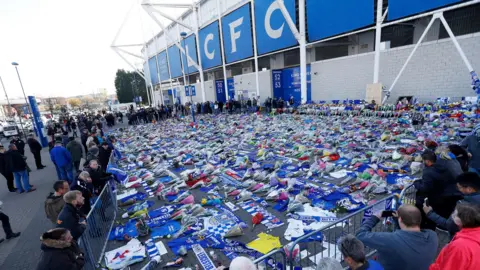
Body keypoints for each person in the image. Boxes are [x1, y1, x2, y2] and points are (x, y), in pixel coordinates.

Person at [356, 205, 438, 270]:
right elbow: (406, 236)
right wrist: (398, 221)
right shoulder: (432, 236)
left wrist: (374, 218)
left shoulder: (390, 240)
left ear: (401, 219)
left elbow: (360, 235)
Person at [414, 150, 461, 230]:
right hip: (449, 196)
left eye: (423, 161)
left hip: (438, 199)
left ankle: (424, 225)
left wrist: (416, 183)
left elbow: (425, 188)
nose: (423, 162)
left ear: (427, 161)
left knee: (419, 202)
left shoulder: (428, 172)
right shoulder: (443, 166)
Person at [429, 203, 480, 270]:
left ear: (459, 221)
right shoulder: (475, 235)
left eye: (454, 215)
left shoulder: (460, 246)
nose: (452, 216)